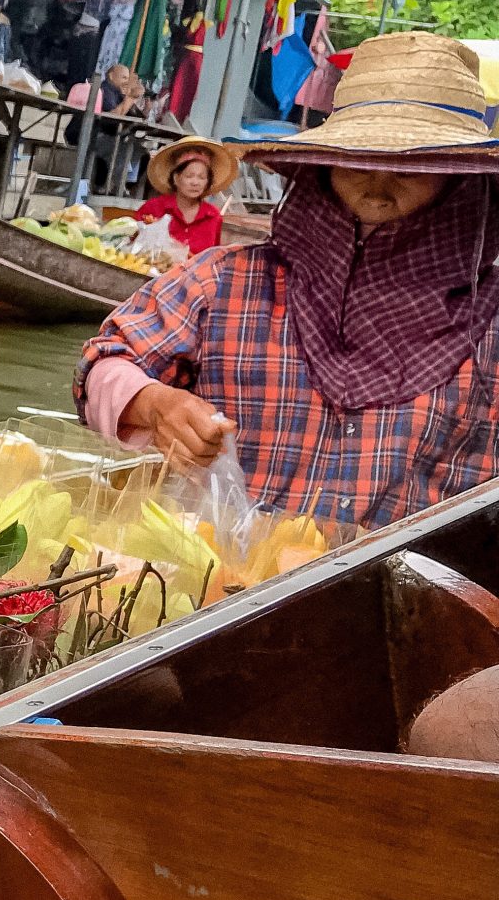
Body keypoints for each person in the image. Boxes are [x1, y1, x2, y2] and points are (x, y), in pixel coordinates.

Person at [77, 32, 499, 530]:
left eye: (412, 168)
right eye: (359, 162)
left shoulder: (490, 320)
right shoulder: (224, 280)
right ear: (322, 166)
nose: (380, 186)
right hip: (217, 594)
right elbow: (104, 360)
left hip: (400, 599)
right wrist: (156, 404)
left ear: (462, 180)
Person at [133, 137, 234, 257]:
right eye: (189, 176)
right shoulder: (153, 208)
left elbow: (212, 257)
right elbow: (132, 242)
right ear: (176, 178)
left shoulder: (213, 216)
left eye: (201, 177)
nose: (195, 182)